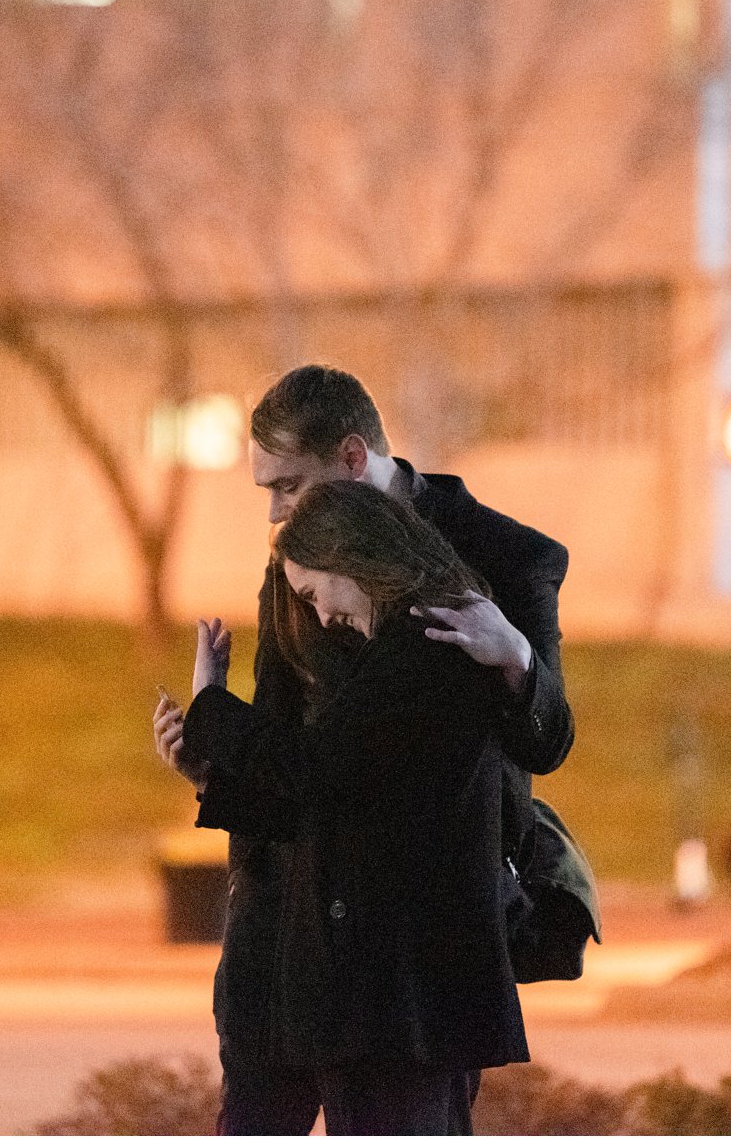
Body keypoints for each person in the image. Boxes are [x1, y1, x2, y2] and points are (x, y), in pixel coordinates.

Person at [151, 364, 574, 1133]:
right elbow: (285, 739)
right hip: (287, 921)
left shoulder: (501, 557)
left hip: (413, 949)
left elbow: (546, 742)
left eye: (288, 486)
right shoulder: (297, 560)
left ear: (352, 458)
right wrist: (211, 769)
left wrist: (515, 655)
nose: (276, 515)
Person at [183, 479, 528, 1134]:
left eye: (313, 593)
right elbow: (338, 798)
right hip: (406, 995)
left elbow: (319, 769)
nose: (316, 618)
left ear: (350, 557)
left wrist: (211, 709)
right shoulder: (415, 635)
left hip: (404, 998)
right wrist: (211, 771)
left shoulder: (425, 642)